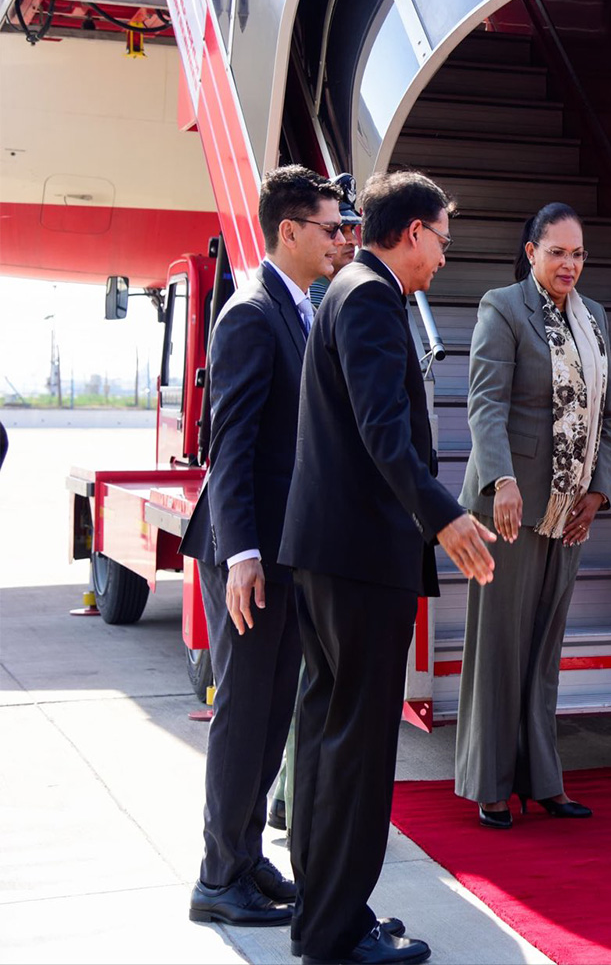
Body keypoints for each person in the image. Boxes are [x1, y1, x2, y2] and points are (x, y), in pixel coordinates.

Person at [280, 170, 498, 965]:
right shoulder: (371, 298)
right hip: (360, 558)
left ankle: (325, 914)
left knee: (329, 738)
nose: (444, 256)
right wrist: (442, 515)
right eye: (443, 238)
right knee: (359, 749)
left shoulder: (346, 289)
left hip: (329, 554)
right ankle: (337, 932)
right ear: (413, 233)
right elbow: (383, 433)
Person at [183, 166, 346, 928]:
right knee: (245, 713)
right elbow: (233, 445)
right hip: (248, 552)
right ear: (290, 230)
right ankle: (218, 876)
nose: (339, 238)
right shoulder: (252, 312)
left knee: (272, 708)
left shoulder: (297, 307)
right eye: (329, 226)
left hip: (282, 551)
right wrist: (243, 553)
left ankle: (246, 857)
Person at [455, 202, 611, 829]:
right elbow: (486, 404)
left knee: (544, 650)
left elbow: (609, 418)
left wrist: (597, 493)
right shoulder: (502, 307)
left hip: (568, 513)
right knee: (499, 647)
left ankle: (543, 780)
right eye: (557, 252)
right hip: (511, 507)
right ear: (531, 253)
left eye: (578, 254)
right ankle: (492, 786)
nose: (569, 265)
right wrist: (500, 479)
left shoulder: (596, 318)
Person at [268, 170, 363, 836]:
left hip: (319, 519)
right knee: (313, 680)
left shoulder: (332, 290)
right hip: (310, 524)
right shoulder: (327, 297)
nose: (343, 239)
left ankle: (288, 800)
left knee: (311, 678)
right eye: (336, 228)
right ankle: (293, 806)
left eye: (348, 228)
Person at [306, 172, 362, 309]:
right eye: (338, 230)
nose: (352, 241)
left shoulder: (341, 288)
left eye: (352, 230)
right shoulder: (315, 295)